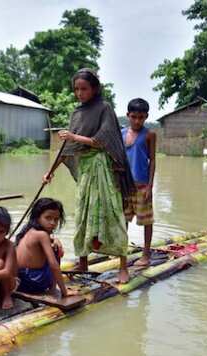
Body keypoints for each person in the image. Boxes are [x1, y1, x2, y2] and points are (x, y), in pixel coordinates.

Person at [43, 68, 135, 283]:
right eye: (76, 89)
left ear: (94, 89)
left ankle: (123, 266)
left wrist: (75, 136)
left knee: (112, 213)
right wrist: (50, 172)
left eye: (84, 88)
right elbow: (67, 149)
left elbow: (103, 139)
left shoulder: (105, 108)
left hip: (102, 169)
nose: (79, 93)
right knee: (82, 214)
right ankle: (83, 262)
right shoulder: (76, 113)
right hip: (85, 171)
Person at [14, 198, 75, 297]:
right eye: (48, 218)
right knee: (55, 250)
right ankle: (53, 289)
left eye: (56, 219)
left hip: (21, 281)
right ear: (38, 217)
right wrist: (65, 292)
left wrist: (55, 240)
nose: (52, 223)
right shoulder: (42, 235)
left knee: (54, 245)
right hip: (33, 283)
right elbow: (53, 265)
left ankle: (52, 287)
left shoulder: (28, 230)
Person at [122, 98, 157, 267]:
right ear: (128, 115)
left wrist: (150, 186)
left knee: (146, 221)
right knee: (123, 221)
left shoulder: (149, 135)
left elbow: (153, 161)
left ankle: (146, 254)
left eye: (141, 117)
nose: (137, 121)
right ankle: (121, 253)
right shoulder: (121, 134)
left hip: (142, 185)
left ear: (146, 117)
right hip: (124, 186)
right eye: (134, 117)